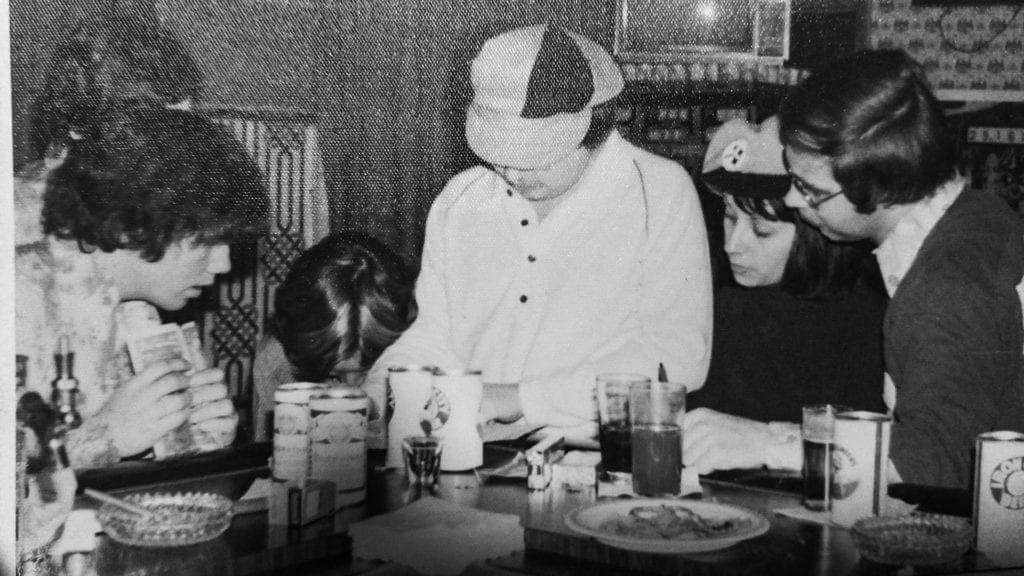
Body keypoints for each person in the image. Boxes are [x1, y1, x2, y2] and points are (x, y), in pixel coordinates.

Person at [365, 24, 713, 442]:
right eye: (499, 153)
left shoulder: (659, 192)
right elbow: (435, 336)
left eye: (532, 156)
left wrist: (518, 399)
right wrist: (377, 391)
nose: (510, 172)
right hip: (475, 448)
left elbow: (678, 356)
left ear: (592, 129)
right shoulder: (462, 199)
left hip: (607, 452)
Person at [779, 49, 1024, 489]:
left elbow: (931, 465)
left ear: (879, 186)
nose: (793, 202)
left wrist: (762, 443)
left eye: (808, 189)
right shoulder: (978, 215)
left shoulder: (943, 289)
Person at [16, 108, 269, 469]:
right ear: (139, 225)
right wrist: (107, 436)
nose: (223, 264)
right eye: (210, 242)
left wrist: (201, 434)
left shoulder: (140, 313)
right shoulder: (17, 295)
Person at [682, 116, 887, 474]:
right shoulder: (722, 304)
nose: (733, 246)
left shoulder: (870, 318)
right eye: (729, 217)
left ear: (814, 228)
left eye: (761, 231)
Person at [16, 4, 203, 246]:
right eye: (158, 130)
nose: (176, 149)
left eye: (184, 128)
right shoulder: (24, 217)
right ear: (79, 131)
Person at [252, 232, 418, 441]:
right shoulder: (277, 361)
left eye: (369, 371)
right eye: (336, 375)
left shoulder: (428, 348)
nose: (353, 390)